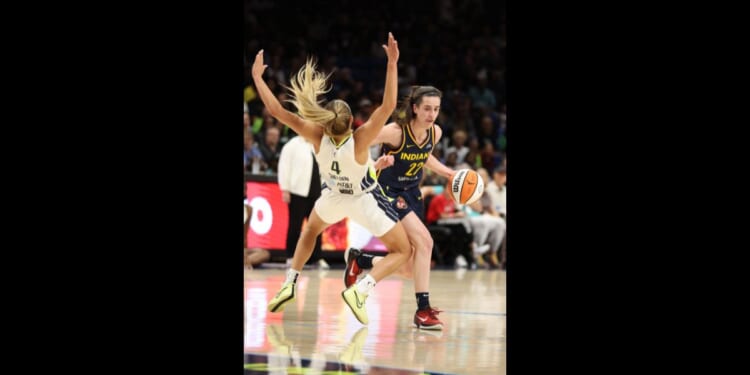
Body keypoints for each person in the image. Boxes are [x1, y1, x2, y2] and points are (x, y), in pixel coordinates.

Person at [252, 32, 410, 324]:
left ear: (326, 120)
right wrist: (392, 63)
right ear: (352, 122)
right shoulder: (361, 139)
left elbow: (276, 110)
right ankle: (361, 289)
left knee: (309, 232)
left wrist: (258, 79)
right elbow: (388, 107)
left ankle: (289, 283)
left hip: (332, 197)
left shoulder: (315, 135)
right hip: (364, 200)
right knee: (403, 251)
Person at [344, 85, 457, 330]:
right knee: (426, 242)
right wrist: (376, 164)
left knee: (407, 268)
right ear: (415, 108)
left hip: (412, 194)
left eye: (436, 109)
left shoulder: (434, 132)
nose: (432, 114)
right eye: (427, 108)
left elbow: (424, 155)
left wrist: (449, 173)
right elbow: (357, 144)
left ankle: (361, 261)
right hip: (388, 191)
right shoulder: (395, 132)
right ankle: (423, 310)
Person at [277, 134, 330, 270]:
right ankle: (290, 257)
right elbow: (284, 167)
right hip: (297, 193)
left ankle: (316, 258)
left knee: (316, 227)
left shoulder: (318, 144)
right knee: (295, 226)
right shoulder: (292, 145)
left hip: (317, 193)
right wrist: (285, 189)